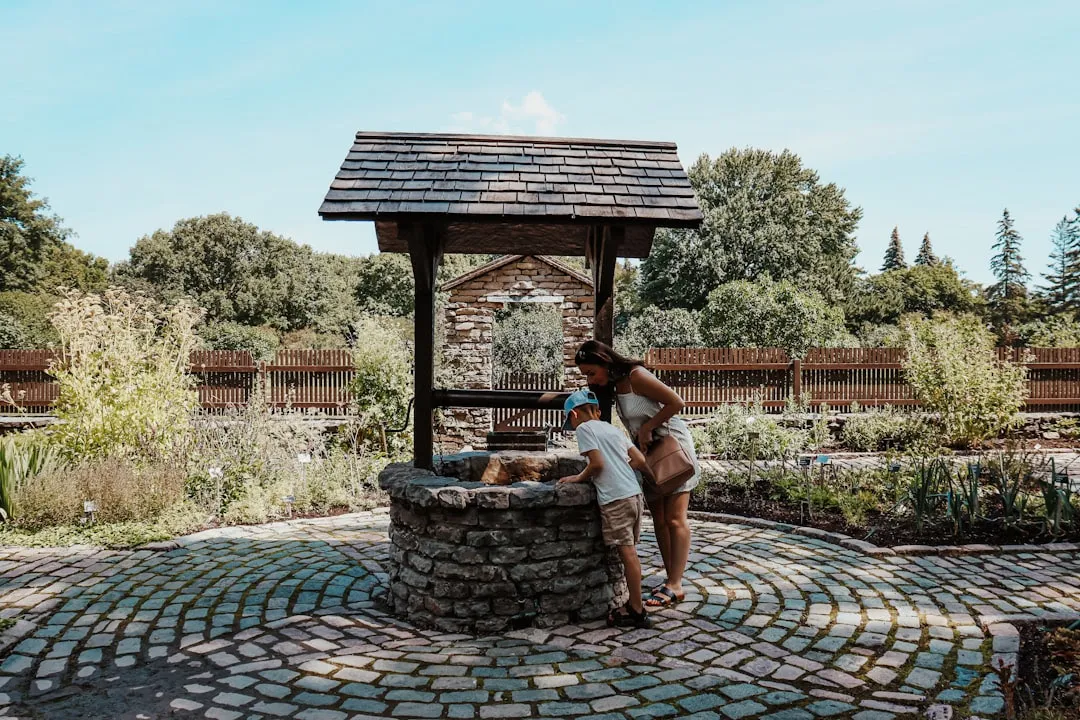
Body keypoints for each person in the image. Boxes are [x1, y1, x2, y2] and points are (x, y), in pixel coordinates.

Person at [574, 340, 699, 609]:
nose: (589, 379)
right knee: (660, 518)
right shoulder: (613, 387)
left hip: (671, 448)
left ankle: (676, 585)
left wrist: (648, 427)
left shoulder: (636, 376)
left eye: (590, 372)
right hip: (648, 454)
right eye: (586, 374)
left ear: (605, 362)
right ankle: (670, 579)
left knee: (676, 518)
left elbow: (676, 402)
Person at [558, 388, 653, 629]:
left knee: (628, 555)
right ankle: (636, 604)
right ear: (598, 411)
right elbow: (640, 461)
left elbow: (597, 464)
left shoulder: (584, 429)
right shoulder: (613, 429)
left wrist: (579, 478)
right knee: (631, 553)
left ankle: (637, 609)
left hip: (615, 498)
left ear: (574, 415)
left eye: (570, 419)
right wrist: (620, 467)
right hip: (633, 493)